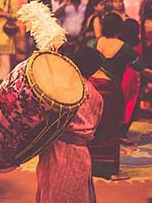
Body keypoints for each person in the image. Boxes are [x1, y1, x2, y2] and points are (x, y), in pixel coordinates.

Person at [88, 12, 152, 180]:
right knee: (112, 130)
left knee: (96, 126)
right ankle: (111, 172)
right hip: (110, 91)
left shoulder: (96, 42)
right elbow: (145, 70)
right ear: (119, 28)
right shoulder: (124, 48)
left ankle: (92, 166)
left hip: (93, 89)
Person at [36, 47, 103, 203]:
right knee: (76, 194)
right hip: (80, 152)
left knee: (51, 191)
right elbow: (95, 124)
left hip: (56, 147)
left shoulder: (62, 87)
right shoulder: (97, 96)